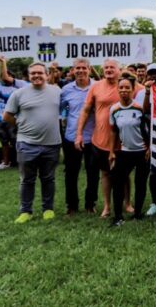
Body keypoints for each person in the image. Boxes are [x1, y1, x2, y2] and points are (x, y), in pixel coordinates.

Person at [75, 59, 142, 218]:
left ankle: (127, 203)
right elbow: (86, 110)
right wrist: (79, 134)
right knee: (105, 173)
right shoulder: (96, 86)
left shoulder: (128, 85)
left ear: (119, 69)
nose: (109, 70)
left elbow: (148, 92)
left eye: (112, 67)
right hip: (101, 140)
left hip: (124, 141)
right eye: (106, 68)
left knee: (125, 174)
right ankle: (107, 206)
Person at [3, 62, 62, 224]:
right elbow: (7, 116)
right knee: (27, 180)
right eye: (33, 73)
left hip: (52, 144)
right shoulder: (19, 94)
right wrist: (21, 125)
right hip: (27, 143)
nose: (36, 75)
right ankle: (25, 211)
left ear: (47, 75)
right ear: (28, 76)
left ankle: (48, 209)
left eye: (40, 73)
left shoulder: (57, 91)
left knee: (48, 178)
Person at [108, 74, 150, 227]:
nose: (124, 90)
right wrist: (111, 152)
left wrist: (149, 148)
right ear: (118, 90)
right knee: (117, 183)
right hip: (124, 152)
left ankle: (138, 213)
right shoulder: (114, 109)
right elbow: (113, 131)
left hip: (142, 152)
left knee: (140, 183)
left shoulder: (139, 108)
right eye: (121, 87)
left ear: (133, 90)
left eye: (127, 87)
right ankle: (118, 217)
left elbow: (148, 129)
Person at [60, 58, 98, 215]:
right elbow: (62, 109)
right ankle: (72, 205)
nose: (81, 71)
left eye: (84, 68)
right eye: (77, 68)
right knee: (71, 173)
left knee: (93, 173)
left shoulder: (97, 86)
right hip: (71, 137)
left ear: (89, 69)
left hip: (93, 137)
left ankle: (90, 204)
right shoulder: (66, 90)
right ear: (72, 71)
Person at [134, 63, 156, 217]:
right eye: (151, 73)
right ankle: (155, 203)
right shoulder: (141, 93)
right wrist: (147, 92)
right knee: (152, 172)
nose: (154, 76)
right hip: (149, 137)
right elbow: (144, 112)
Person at [0, 57, 28, 169]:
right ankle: (5, 162)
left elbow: (5, 77)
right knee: (3, 142)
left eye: (6, 75)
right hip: (0, 119)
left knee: (16, 141)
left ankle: (19, 161)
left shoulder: (18, 87)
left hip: (13, 119)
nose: (3, 78)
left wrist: (3, 63)